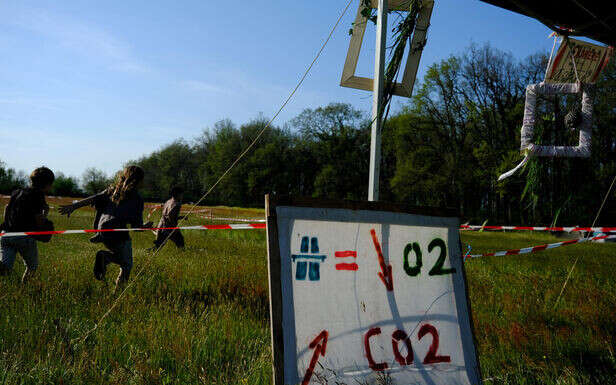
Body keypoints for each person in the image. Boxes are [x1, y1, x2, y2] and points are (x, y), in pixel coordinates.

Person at [59, 165, 152, 289]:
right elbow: (136, 227)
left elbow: (94, 198)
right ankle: (115, 285)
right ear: (139, 180)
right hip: (117, 233)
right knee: (126, 265)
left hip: (103, 230)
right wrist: (145, 226)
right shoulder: (137, 198)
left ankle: (105, 256)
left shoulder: (112, 190)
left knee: (120, 257)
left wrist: (73, 206)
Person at [0, 167, 55, 283]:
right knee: (32, 266)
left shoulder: (17, 192)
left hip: (6, 234)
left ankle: (5, 268)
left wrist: (7, 225)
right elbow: (39, 221)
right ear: (47, 184)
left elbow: (6, 208)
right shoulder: (38, 195)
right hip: (24, 237)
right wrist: (46, 214)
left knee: (5, 267)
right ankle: (24, 288)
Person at [151, 186, 186, 251]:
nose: (182, 196)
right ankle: (182, 255)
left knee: (158, 246)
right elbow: (170, 216)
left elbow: (167, 215)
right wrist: (174, 228)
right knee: (180, 242)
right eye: (181, 194)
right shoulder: (176, 204)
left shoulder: (168, 201)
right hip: (169, 228)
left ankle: (148, 252)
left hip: (161, 226)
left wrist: (181, 217)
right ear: (178, 194)